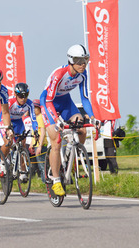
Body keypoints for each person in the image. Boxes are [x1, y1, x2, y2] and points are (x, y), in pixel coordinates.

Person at [40, 44, 98, 196]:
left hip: (66, 103)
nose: (83, 64)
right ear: (71, 61)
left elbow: (85, 99)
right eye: (79, 61)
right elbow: (48, 100)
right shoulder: (59, 74)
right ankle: (56, 180)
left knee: (82, 127)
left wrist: (92, 117)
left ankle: (73, 156)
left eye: (86, 60)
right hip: (48, 102)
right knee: (56, 141)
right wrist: (56, 120)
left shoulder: (82, 75)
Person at [0, 83, 39, 182]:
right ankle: (2, 162)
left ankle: (23, 172)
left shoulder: (29, 104)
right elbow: (4, 114)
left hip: (18, 122)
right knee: (9, 142)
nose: (23, 99)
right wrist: (8, 129)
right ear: (16, 95)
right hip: (6, 121)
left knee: (23, 146)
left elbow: (34, 119)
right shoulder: (11, 101)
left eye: (26, 96)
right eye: (20, 96)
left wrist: (36, 131)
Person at [29, 99, 48, 183]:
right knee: (41, 165)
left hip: (41, 145)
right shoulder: (35, 118)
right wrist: (31, 144)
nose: (34, 110)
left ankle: (46, 182)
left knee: (42, 165)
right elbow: (34, 133)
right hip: (37, 144)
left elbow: (42, 131)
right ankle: (46, 181)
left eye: (35, 108)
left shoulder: (40, 117)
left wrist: (39, 146)